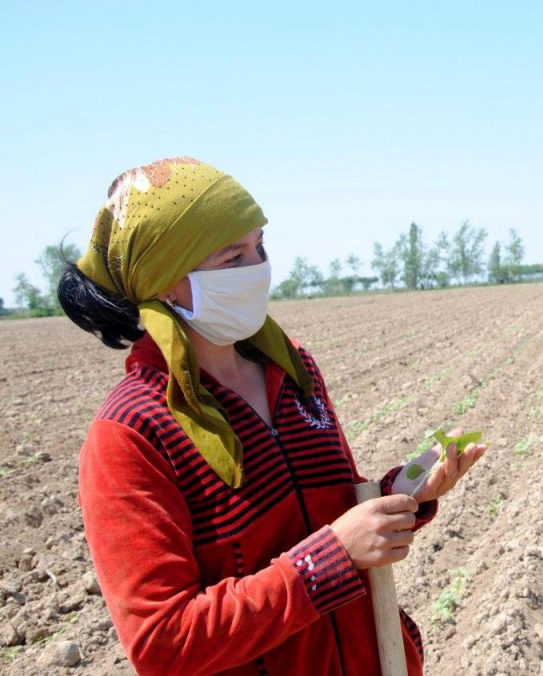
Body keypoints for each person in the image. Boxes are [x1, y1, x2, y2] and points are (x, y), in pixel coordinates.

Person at [58, 157, 485, 676]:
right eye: (232, 257)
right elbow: (163, 643)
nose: (258, 267)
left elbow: (333, 509)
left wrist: (408, 491)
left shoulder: (292, 368)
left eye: (259, 245)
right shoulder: (133, 432)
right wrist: (328, 560)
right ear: (167, 282)